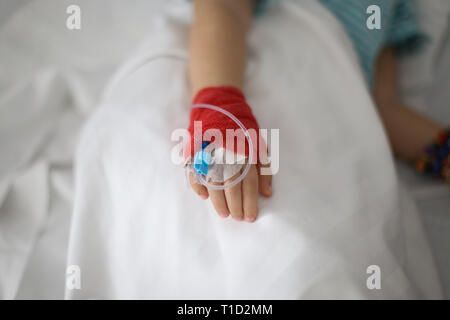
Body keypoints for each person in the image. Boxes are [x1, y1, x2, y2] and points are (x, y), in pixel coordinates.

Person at [185, 0, 449, 223]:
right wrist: (220, 107)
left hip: (334, 124)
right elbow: (222, 8)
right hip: (243, 73)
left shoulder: (390, 7)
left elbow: (384, 110)